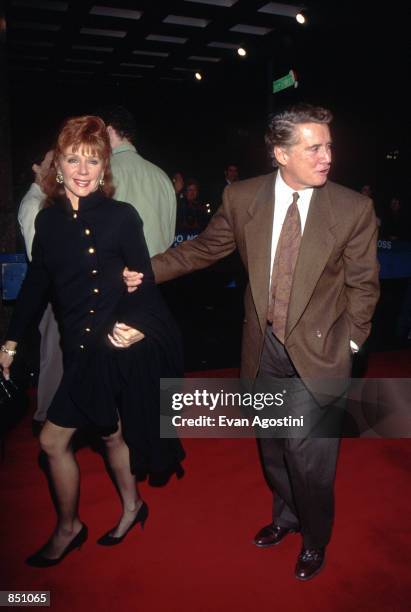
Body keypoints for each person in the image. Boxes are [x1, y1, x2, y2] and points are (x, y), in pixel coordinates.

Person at [127, 103, 380, 580]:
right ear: (280, 154)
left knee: (311, 461)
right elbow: (203, 249)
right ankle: (285, 518)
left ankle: (315, 537)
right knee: (273, 447)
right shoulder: (243, 198)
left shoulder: (352, 208)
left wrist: (351, 343)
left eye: (329, 146)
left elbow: (364, 284)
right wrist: (145, 270)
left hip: (321, 350)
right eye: (314, 148)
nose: (327, 156)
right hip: (261, 348)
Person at [0, 115, 184, 567]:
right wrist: (10, 341)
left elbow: (142, 280)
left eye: (93, 160)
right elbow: (35, 287)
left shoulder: (122, 217)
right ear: (57, 167)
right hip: (74, 347)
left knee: (52, 442)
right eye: (73, 159)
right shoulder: (48, 223)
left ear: (105, 169)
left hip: (111, 349)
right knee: (110, 432)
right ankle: (133, 505)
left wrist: (139, 321)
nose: (83, 169)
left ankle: (69, 527)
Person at [18, 150, 64, 426]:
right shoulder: (34, 203)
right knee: (52, 358)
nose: (56, 167)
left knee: (57, 357)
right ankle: (46, 417)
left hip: (55, 292)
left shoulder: (44, 201)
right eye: (51, 163)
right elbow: (40, 261)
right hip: (51, 294)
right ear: (37, 167)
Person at [97, 105, 176, 257]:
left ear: (108, 130)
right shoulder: (162, 176)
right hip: (160, 273)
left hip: (119, 274)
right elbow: (169, 235)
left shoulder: (102, 172)